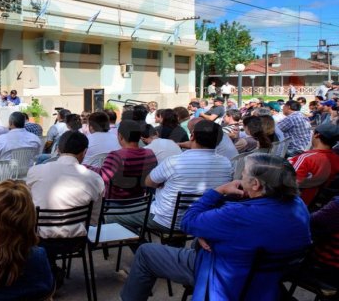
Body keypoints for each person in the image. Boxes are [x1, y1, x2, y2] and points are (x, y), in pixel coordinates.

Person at [121, 153, 311, 301]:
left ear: (255, 184)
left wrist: (217, 191)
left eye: (244, 173)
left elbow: (188, 222)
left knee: (146, 252)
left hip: (221, 275)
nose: (240, 175)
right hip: (266, 279)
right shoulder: (297, 205)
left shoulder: (237, 215)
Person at [27, 131, 104, 275]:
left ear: (58, 149)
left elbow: (29, 204)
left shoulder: (35, 171)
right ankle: (53, 272)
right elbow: (93, 220)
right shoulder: (94, 178)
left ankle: (49, 272)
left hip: (39, 240)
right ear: (84, 152)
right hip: (76, 241)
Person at [144, 120, 232, 232]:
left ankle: (146, 249)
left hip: (167, 221)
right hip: (203, 222)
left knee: (117, 218)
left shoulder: (174, 162)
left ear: (192, 136)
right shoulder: (226, 164)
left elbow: (149, 182)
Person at [93, 120, 157, 199]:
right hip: (139, 204)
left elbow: (103, 176)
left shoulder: (116, 156)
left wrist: (84, 168)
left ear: (120, 136)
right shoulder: (150, 154)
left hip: (115, 205)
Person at [289, 123, 339, 205]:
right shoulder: (336, 159)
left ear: (317, 135)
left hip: (293, 203)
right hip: (309, 203)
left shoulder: (306, 158)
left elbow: (289, 184)